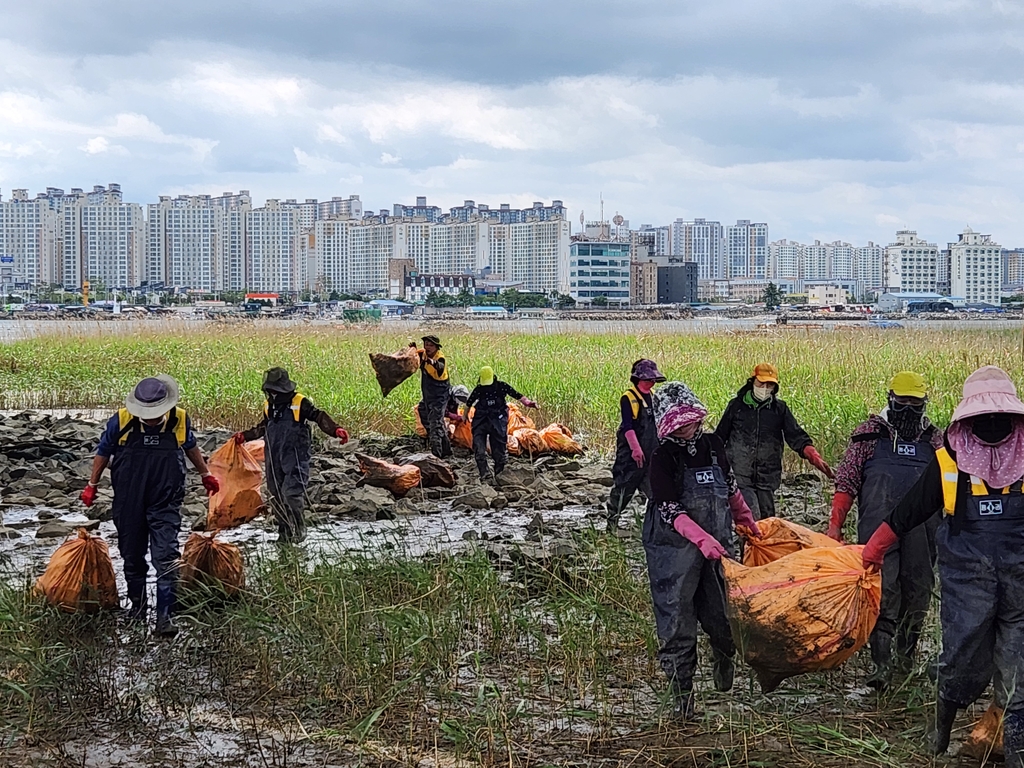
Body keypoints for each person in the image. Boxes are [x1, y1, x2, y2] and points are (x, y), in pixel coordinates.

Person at [862, 366, 1024, 763]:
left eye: (998, 417)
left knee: (1018, 666)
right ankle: (941, 731)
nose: (991, 424)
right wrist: (872, 551)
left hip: (1021, 583)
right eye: (983, 417)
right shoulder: (950, 460)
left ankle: (1017, 749)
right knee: (961, 657)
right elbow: (910, 511)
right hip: (967, 584)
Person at [644, 381, 761, 718]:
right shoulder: (662, 456)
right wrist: (699, 538)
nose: (687, 428)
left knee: (723, 615)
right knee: (677, 621)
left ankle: (724, 656)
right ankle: (682, 697)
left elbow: (731, 488)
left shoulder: (712, 446)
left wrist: (746, 520)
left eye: (691, 421)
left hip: (719, 544)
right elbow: (668, 508)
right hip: (673, 550)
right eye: (679, 424)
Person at [79, 375, 219, 637]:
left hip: (165, 499)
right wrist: (92, 485)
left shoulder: (179, 419)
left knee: (165, 556)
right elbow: (103, 452)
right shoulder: (120, 421)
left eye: (156, 413)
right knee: (131, 556)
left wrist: (205, 474)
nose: (151, 418)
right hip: (128, 500)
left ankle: (165, 616)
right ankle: (138, 608)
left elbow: (190, 447)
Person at [828, 371, 943, 688]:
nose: (908, 408)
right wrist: (835, 525)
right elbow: (847, 482)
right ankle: (880, 666)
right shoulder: (868, 434)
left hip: (923, 531)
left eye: (914, 402)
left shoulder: (936, 440)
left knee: (917, 593)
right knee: (882, 593)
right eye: (902, 401)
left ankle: (905, 663)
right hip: (877, 529)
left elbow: (953, 488)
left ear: (924, 403)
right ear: (890, 398)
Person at [234, 368, 348, 544]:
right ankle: (284, 532)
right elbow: (263, 427)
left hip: (295, 455)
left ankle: (300, 527)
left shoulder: (299, 402)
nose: (272, 394)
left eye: (274, 390)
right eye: (270, 391)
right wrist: (245, 436)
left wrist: (335, 429)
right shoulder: (269, 406)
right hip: (274, 456)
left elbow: (318, 416)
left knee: (292, 494)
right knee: (276, 495)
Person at [714, 363, 833, 518]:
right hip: (739, 473)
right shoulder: (736, 406)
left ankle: (760, 543)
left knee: (767, 518)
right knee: (750, 516)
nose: (765, 387)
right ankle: (748, 542)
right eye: (761, 383)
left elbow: (795, 435)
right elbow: (720, 436)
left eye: (770, 384)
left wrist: (812, 455)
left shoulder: (779, 409)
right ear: (752, 382)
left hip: (767, 474)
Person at [607, 359, 666, 531]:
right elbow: (628, 427)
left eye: (653, 379)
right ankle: (611, 524)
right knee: (624, 490)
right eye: (648, 379)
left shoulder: (653, 397)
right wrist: (636, 449)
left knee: (656, 492)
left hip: (651, 454)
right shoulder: (629, 398)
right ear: (638, 379)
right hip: (631, 457)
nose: (651, 382)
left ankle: (656, 527)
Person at [465, 366, 537, 480]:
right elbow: (469, 403)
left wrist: (528, 403)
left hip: (497, 420)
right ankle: (484, 474)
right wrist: (465, 417)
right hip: (481, 420)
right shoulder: (479, 389)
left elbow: (517, 395)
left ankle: (499, 474)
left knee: (499, 450)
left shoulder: (501, 386)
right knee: (479, 449)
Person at [410, 335, 452, 458]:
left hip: (439, 396)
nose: (427, 347)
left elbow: (439, 366)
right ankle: (447, 451)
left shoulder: (440, 358)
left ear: (436, 347)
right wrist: (413, 349)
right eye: (426, 344)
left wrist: (429, 360)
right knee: (424, 413)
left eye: (430, 345)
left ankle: (436, 455)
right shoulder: (423, 354)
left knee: (435, 423)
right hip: (428, 395)